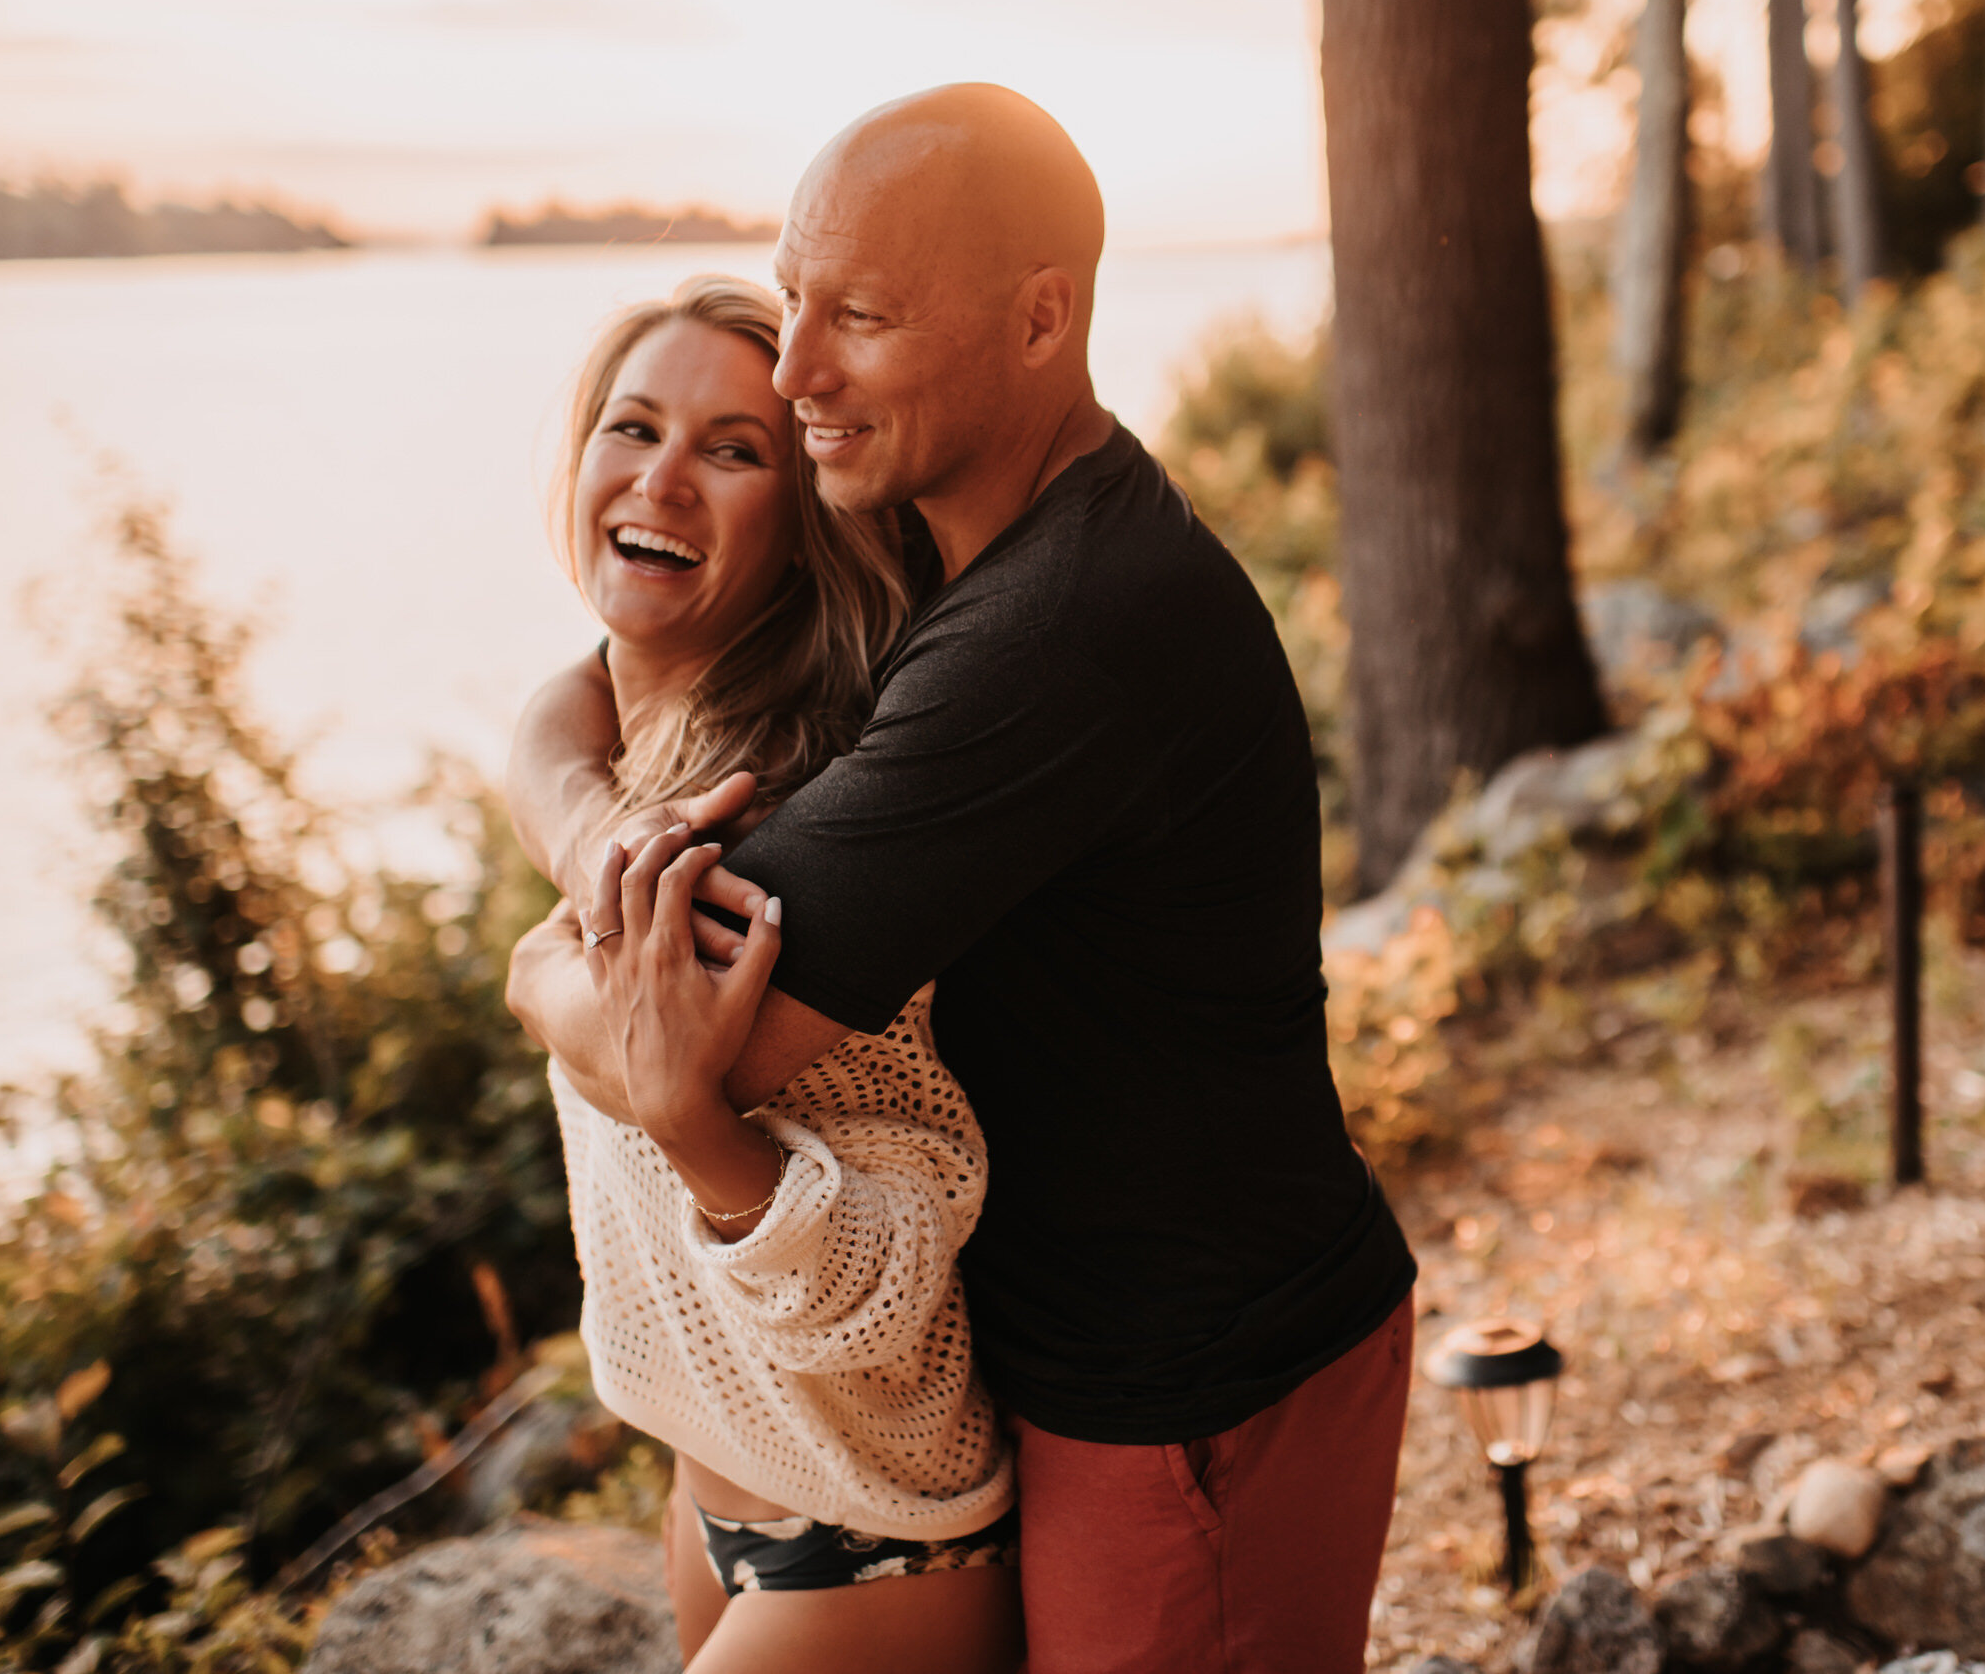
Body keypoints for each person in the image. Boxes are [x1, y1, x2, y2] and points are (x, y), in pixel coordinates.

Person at [508, 84, 1420, 1674]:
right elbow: (588, 684)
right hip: (1064, 1376)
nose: (800, 376)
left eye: (856, 316)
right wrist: (581, 819)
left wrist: (530, 969)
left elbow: (716, 1026)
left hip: (1190, 1391)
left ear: (1039, 320)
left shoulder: (1056, 630)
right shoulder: (978, 549)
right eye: (793, 301)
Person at [505, 272, 1025, 1674]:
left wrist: (685, 1120)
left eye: (733, 451)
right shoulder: (632, 766)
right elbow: (557, 709)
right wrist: (556, 943)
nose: (663, 478)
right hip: (715, 1493)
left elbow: (898, 1273)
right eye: (633, 427)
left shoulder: (782, 836)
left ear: (802, 527)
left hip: (874, 1541)